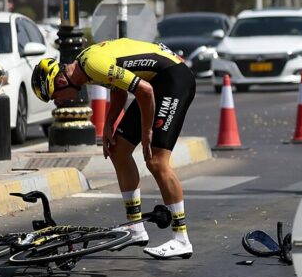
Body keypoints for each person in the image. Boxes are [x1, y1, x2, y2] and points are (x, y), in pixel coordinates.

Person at [31, 39, 196, 259]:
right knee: (118, 150)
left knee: (156, 161)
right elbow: (119, 88)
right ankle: (135, 227)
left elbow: (145, 91)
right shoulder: (85, 67)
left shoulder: (92, 65)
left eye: (54, 97)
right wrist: (109, 124)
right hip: (156, 82)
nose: (58, 102)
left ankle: (181, 238)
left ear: (61, 80)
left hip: (173, 80)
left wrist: (147, 133)